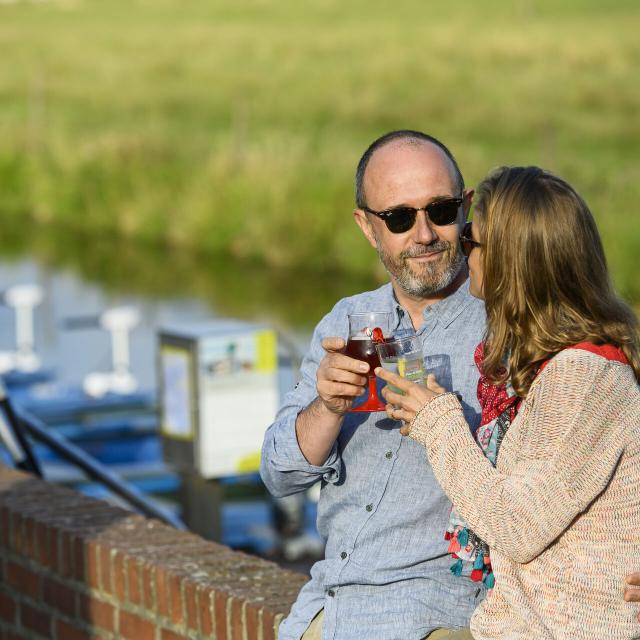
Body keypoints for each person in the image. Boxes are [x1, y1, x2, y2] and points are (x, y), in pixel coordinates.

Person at [377, 166, 640, 638]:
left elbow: (517, 526)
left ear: (511, 259)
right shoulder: (553, 365)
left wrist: (439, 424)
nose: (459, 244)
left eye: (471, 236)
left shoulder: (584, 377)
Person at [261, 130, 486, 639]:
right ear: (367, 227)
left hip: (444, 614)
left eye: (442, 210)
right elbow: (279, 476)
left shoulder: (508, 322)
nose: (424, 234)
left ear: (466, 207)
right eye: (400, 218)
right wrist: (328, 406)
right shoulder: (345, 321)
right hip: (332, 606)